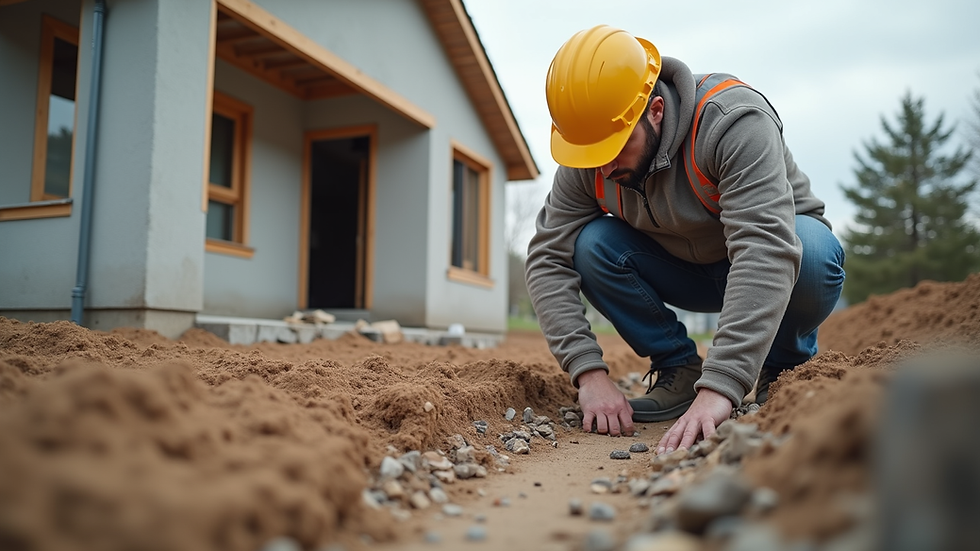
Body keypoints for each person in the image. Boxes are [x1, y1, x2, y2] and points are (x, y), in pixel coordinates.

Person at [525, 25, 845, 454]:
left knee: (813, 250)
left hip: (775, 267)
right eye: (591, 154)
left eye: (617, 148)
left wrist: (722, 387)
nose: (602, 169)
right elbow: (547, 258)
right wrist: (589, 374)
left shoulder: (732, 121)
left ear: (655, 110)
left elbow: (765, 247)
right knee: (591, 244)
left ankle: (782, 366)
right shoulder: (592, 152)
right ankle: (678, 366)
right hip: (680, 270)